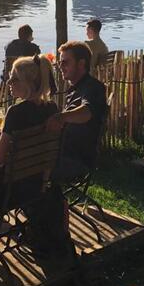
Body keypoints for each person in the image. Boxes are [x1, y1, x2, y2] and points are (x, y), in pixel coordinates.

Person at [0, 55, 69, 254]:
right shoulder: (52, 108)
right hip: (37, 186)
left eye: (14, 79)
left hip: (8, 193)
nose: (8, 83)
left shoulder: (16, 113)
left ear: (29, 83)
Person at [47, 41, 107, 182]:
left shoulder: (93, 87)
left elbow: (87, 112)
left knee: (24, 169)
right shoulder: (76, 88)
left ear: (81, 64)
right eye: (60, 62)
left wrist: (60, 117)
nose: (60, 66)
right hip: (63, 154)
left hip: (76, 161)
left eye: (65, 62)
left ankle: (47, 201)